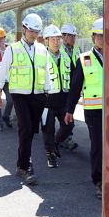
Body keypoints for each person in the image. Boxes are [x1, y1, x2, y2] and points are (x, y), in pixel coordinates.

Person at [0, 13, 50, 185]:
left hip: (38, 95)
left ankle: (21, 163)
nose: (34, 34)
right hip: (19, 95)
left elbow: (46, 72)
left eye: (37, 32)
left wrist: (48, 93)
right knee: (25, 129)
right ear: (24, 29)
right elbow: (2, 72)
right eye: (31, 31)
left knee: (31, 131)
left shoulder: (42, 49)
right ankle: (26, 167)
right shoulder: (13, 49)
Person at [66, 18, 105, 200]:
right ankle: (99, 181)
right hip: (93, 111)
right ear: (93, 37)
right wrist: (69, 110)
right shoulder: (84, 59)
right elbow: (75, 87)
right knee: (97, 145)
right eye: (100, 36)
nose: (103, 39)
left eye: (106, 36)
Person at [41, 25, 72, 168]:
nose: (56, 41)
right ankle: (50, 155)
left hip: (63, 100)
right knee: (48, 129)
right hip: (46, 101)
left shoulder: (66, 56)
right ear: (46, 41)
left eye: (58, 38)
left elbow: (73, 75)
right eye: (52, 39)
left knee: (68, 126)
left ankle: (56, 143)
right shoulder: (40, 57)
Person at [59, 23, 80, 151]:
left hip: (73, 88)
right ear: (64, 36)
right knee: (66, 115)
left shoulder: (77, 49)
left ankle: (63, 137)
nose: (73, 38)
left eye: (74, 36)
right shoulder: (57, 50)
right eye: (71, 36)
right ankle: (66, 139)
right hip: (62, 89)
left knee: (68, 114)